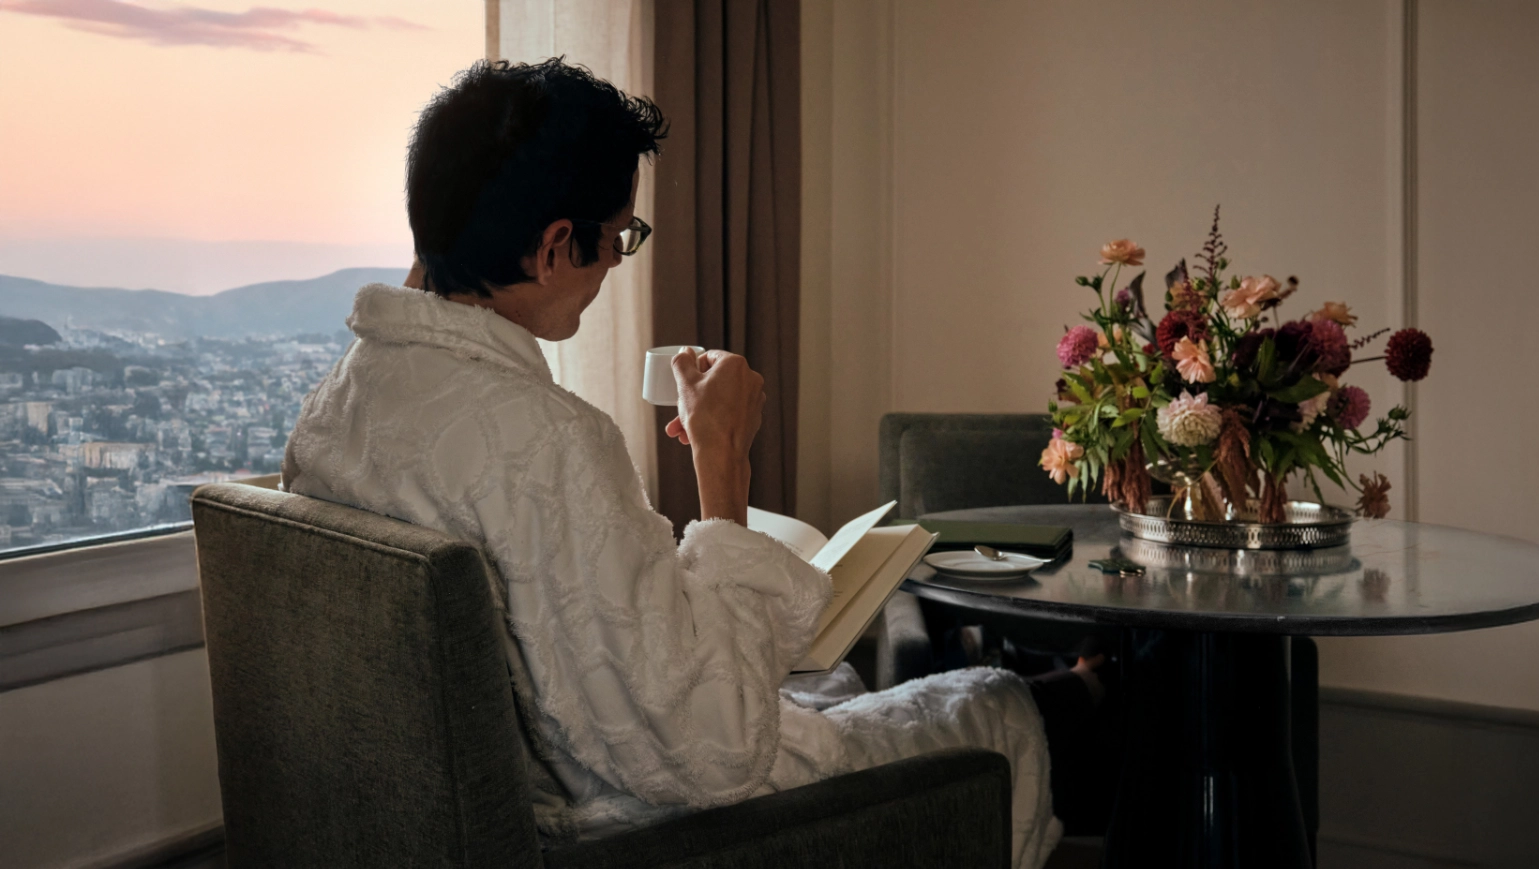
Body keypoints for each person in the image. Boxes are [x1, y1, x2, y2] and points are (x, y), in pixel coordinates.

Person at [280, 58, 1070, 868]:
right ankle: (1092, 702)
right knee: (996, 706)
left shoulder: (341, 405)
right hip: (635, 830)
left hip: (450, 818)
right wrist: (723, 463)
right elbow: (717, 750)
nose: (620, 261)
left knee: (842, 693)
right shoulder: (549, 441)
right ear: (556, 246)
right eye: (620, 236)